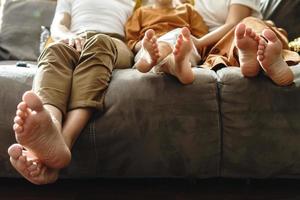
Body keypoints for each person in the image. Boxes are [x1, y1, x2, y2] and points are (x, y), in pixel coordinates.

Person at [7, 0, 134, 185]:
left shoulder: (131, 2)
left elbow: (140, 29)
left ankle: (63, 142)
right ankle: (50, 124)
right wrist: (66, 36)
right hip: (75, 39)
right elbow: (58, 25)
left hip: (114, 43)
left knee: (100, 42)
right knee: (54, 49)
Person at [193, 0, 300, 86]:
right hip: (219, 45)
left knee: (247, 28)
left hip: (251, 30)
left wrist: (199, 42)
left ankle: (266, 55)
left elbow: (234, 22)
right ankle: (249, 56)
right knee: (240, 41)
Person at [125, 0, 208, 84]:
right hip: (147, 50)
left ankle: (158, 59)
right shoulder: (141, 12)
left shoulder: (188, 9)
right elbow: (131, 43)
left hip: (184, 50)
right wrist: (146, 42)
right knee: (155, 46)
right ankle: (175, 65)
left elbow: (201, 40)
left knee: (180, 33)